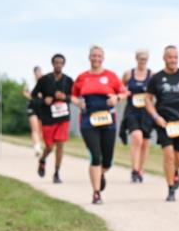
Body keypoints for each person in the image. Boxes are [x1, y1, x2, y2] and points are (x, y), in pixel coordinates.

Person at [71, 46, 127, 205]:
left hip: (108, 121)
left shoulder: (111, 76)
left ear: (103, 58)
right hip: (88, 121)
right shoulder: (82, 77)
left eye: (99, 56)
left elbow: (123, 92)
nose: (96, 58)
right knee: (95, 156)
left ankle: (101, 173)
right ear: (89, 57)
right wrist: (78, 103)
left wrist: (117, 98)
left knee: (107, 161)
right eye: (93, 55)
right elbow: (73, 96)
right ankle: (96, 193)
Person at [145, 46, 179, 202]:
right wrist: (155, 117)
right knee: (168, 155)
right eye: (170, 57)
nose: (173, 60)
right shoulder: (157, 78)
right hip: (164, 123)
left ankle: (176, 172)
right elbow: (147, 99)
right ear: (164, 58)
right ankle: (170, 188)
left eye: (175, 57)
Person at [33, 54, 74, 183]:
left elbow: (73, 97)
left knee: (60, 144)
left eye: (61, 63)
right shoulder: (44, 80)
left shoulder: (68, 80)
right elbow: (34, 95)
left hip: (63, 117)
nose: (58, 65)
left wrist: (65, 97)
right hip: (48, 117)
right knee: (50, 146)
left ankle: (56, 173)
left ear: (64, 64)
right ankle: (43, 159)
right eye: (56, 62)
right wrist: (43, 100)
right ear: (52, 64)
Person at [121, 49, 154, 183]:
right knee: (136, 137)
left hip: (146, 112)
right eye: (141, 59)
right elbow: (120, 88)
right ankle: (134, 169)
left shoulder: (152, 75)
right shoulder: (128, 74)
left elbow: (156, 91)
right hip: (132, 111)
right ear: (136, 59)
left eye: (145, 59)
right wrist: (125, 93)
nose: (143, 61)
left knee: (145, 142)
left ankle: (140, 169)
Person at [23, 66, 45, 156]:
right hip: (33, 106)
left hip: (42, 107)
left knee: (41, 129)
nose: (39, 73)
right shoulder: (30, 82)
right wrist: (32, 97)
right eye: (38, 72)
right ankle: (37, 147)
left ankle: (38, 144)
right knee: (34, 128)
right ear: (34, 73)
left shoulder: (45, 82)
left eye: (40, 72)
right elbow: (24, 92)